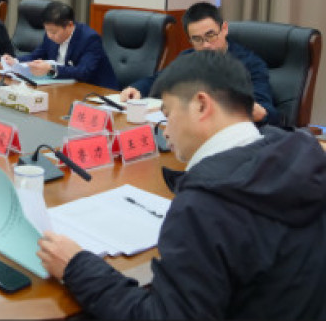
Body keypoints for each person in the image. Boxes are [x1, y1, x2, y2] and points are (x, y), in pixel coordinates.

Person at [38, 50, 326, 319]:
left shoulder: (204, 206)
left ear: (201, 105)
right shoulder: (304, 159)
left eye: (167, 114)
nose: (164, 130)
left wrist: (76, 266)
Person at [120, 1, 278, 125]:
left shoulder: (250, 64)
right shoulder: (188, 57)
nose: (206, 45)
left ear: (224, 29)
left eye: (211, 35)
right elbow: (158, 80)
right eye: (197, 39)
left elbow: (268, 113)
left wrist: (253, 111)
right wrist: (136, 89)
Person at [2, 0, 117, 88]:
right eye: (47, 31)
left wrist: (52, 69)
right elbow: (38, 54)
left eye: (53, 32)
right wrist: (16, 61)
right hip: (61, 86)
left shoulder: (89, 39)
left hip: (95, 90)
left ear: (69, 25)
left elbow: (83, 72)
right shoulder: (50, 35)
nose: (49, 35)